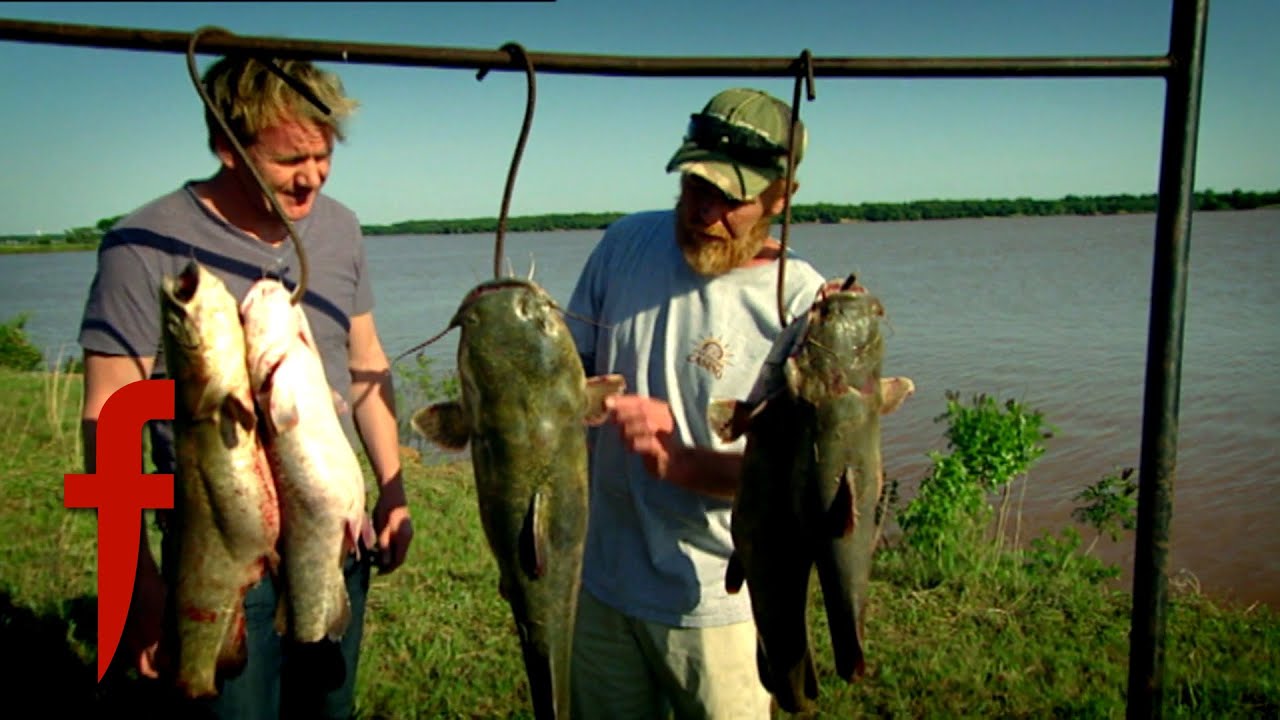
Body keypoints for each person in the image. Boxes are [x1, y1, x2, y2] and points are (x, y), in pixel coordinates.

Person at [78, 55, 413, 719]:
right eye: (291, 158)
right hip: (218, 541)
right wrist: (138, 586)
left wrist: (394, 489)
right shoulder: (144, 243)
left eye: (324, 155)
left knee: (327, 707)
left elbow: (366, 362)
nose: (312, 176)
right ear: (226, 146)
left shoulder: (340, 228)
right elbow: (107, 422)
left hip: (335, 531)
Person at [565, 87, 828, 719]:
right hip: (603, 587)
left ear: (781, 197)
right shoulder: (626, 244)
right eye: (693, 187)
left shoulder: (801, 303)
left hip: (721, 605)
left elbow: (804, 485)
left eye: (730, 198)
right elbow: (570, 374)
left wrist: (682, 462)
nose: (704, 211)